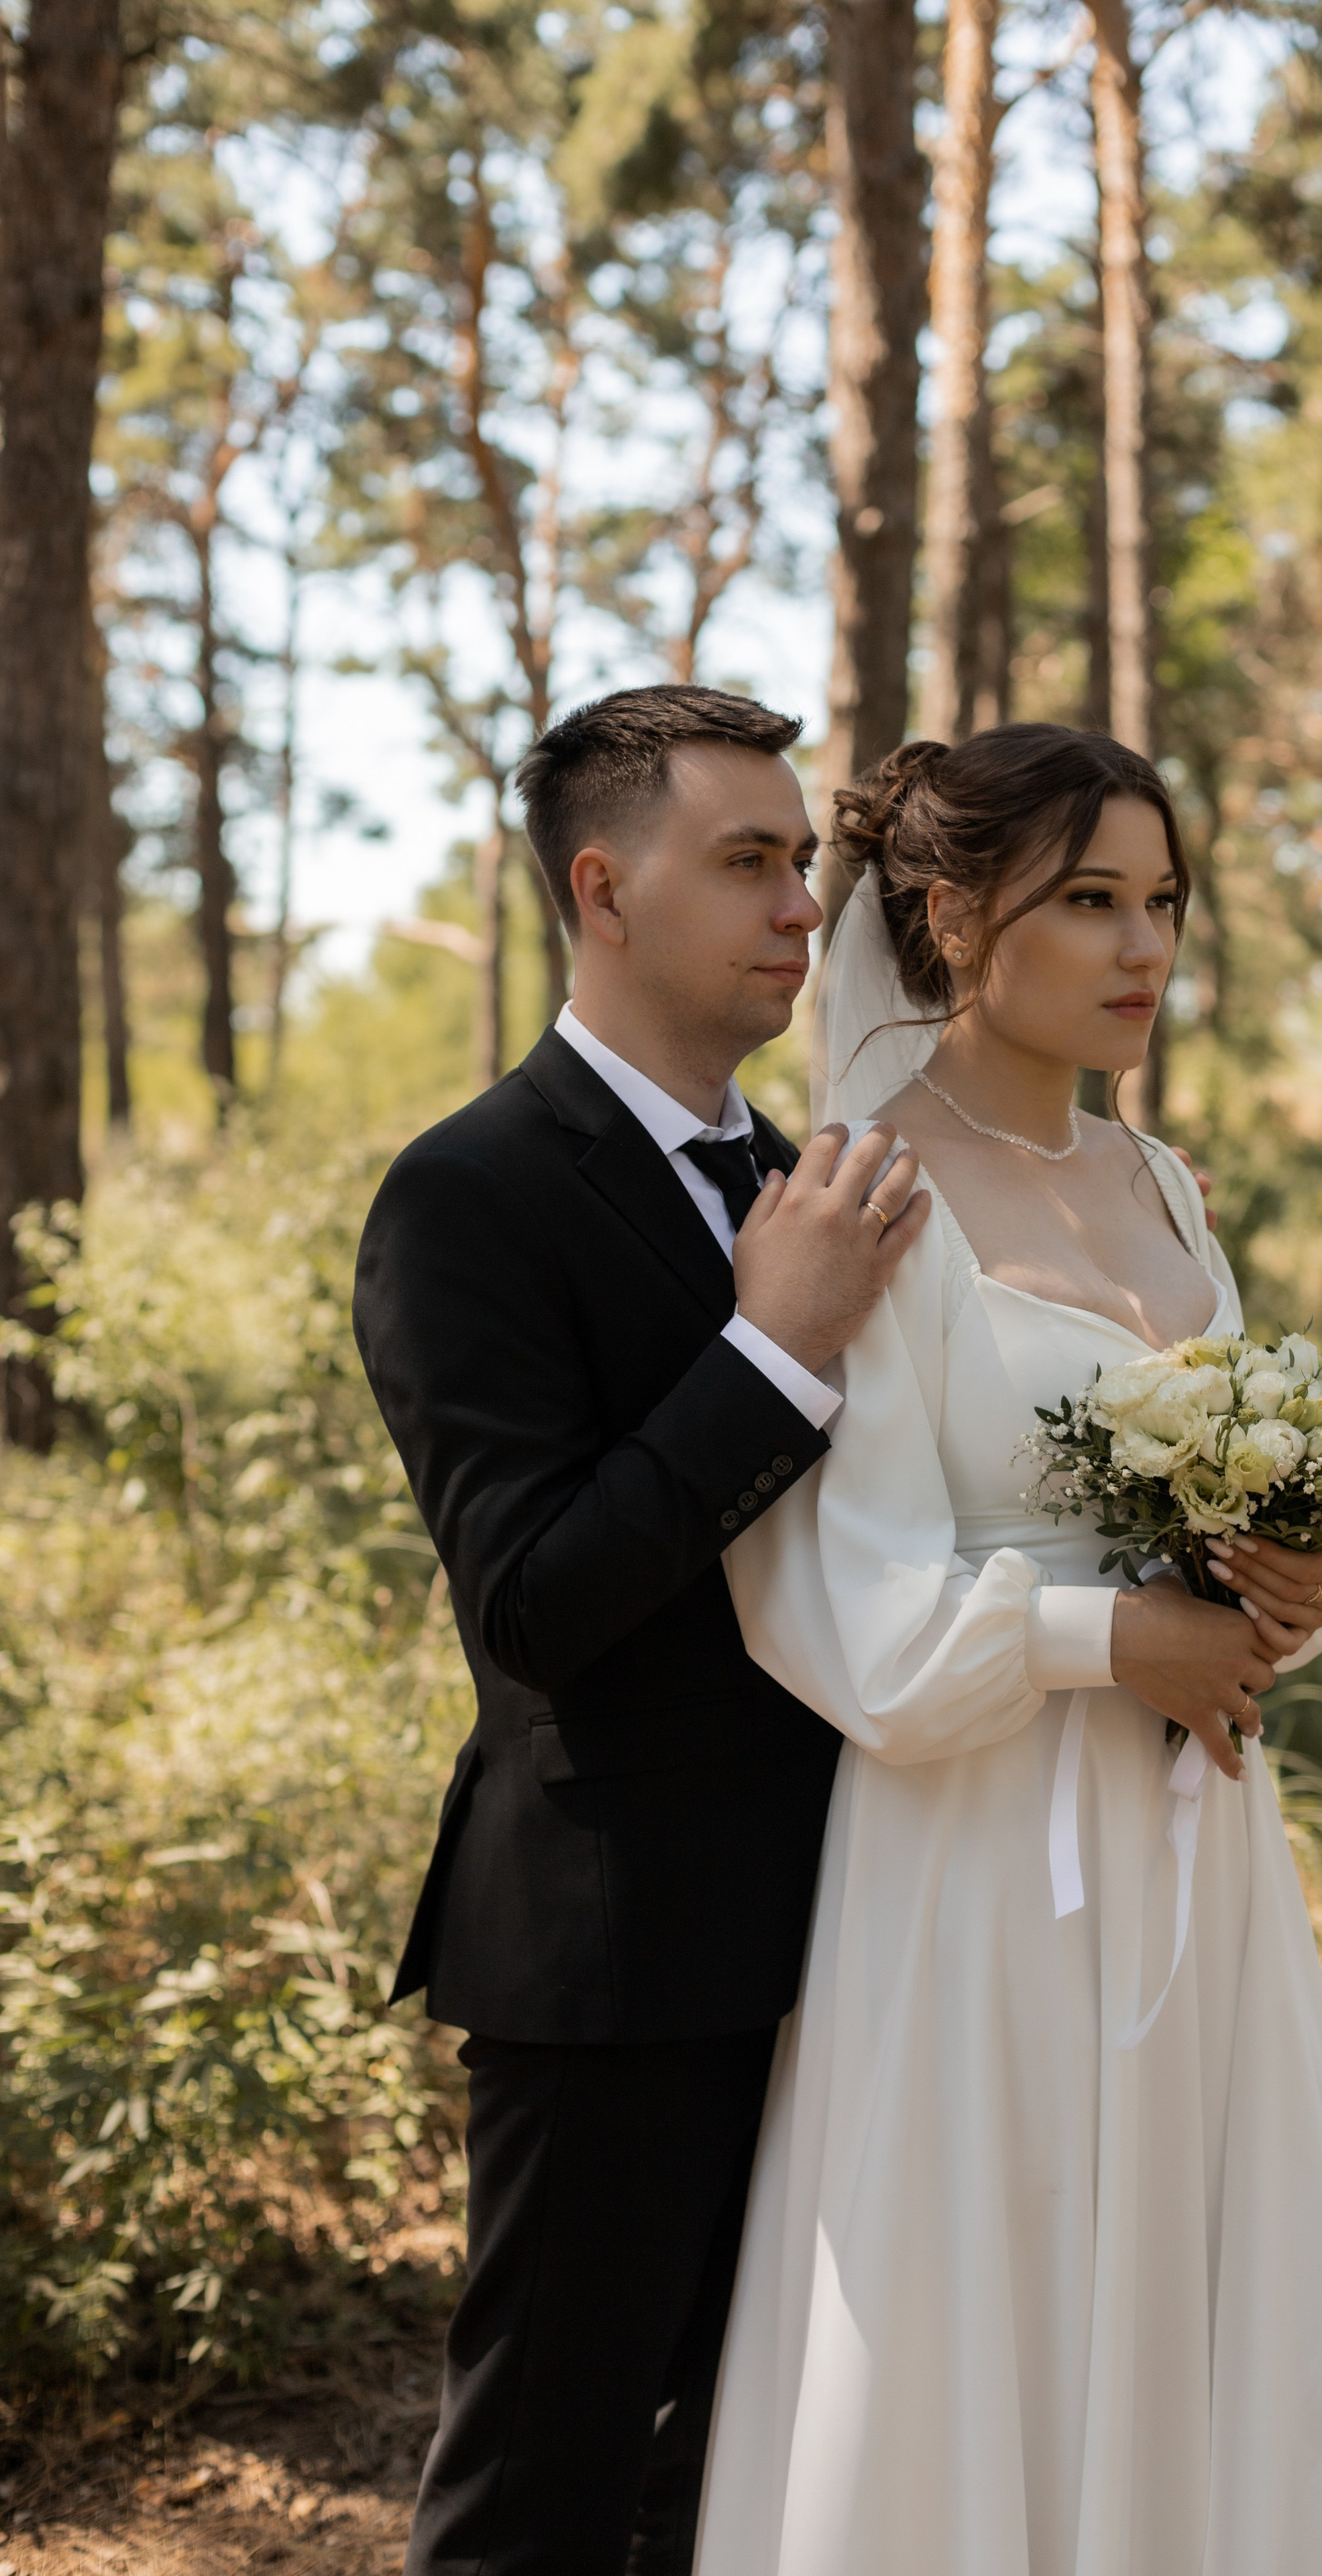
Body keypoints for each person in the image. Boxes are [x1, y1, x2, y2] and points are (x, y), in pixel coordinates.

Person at [701, 725, 1322, 2575]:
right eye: (1089, 899)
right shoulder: (865, 1198)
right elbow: (840, 1612)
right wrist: (1126, 1641)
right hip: (973, 1856)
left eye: (1163, 901)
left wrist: (1295, 1583)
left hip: (1195, 1844)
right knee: (987, 2280)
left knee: (1196, 2285)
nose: (1143, 947)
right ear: (949, 913)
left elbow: (1260, 1519)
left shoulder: (1162, 1186)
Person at [350, 683, 932, 2576]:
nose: (798, 905)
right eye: (748, 861)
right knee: (544, 2491)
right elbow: (531, 1605)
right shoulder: (468, 1193)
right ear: (603, 888)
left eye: (805, 862)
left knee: (751, 2494)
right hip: (611, 1959)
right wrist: (773, 1347)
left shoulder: (814, 1182)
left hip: (857, 1940)